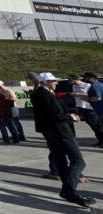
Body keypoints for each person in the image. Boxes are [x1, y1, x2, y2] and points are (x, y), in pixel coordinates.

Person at [31, 72, 95, 208]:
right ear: (44, 82)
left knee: (60, 161)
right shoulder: (44, 94)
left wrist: (70, 113)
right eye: (53, 81)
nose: (56, 83)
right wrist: (71, 117)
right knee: (78, 162)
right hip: (60, 131)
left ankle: (68, 191)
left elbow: (55, 111)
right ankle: (68, 190)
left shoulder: (40, 93)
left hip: (50, 132)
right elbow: (54, 114)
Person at [82, 72, 103, 147]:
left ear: (91, 78)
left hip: (101, 111)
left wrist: (87, 99)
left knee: (100, 128)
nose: (84, 79)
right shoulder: (100, 84)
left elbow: (97, 98)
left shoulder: (94, 86)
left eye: (85, 77)